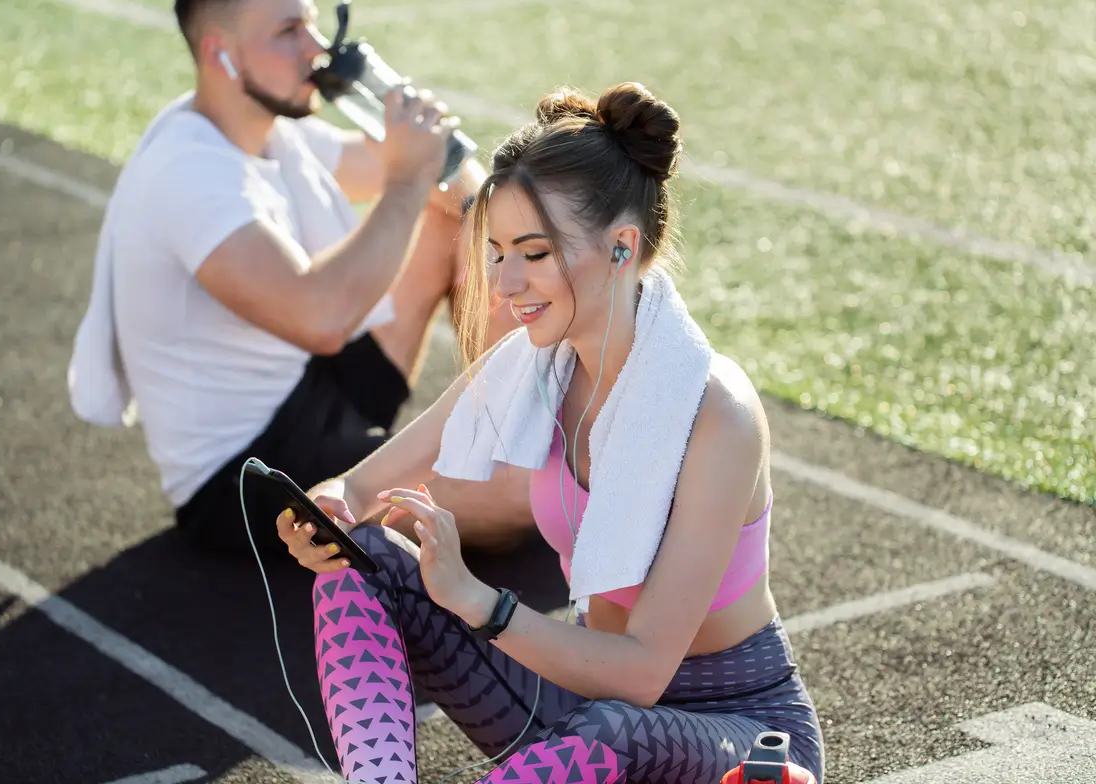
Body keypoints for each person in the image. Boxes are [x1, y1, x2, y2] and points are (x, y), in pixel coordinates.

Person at [277, 81, 825, 784]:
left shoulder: (716, 413)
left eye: (533, 254)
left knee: (612, 733)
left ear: (622, 247)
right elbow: (359, 488)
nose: (504, 284)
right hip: (583, 709)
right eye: (496, 252)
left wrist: (474, 598)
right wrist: (329, 510)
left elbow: (641, 676)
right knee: (364, 561)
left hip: (735, 735)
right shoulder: (532, 366)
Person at [66, 0, 524, 558]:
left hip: (317, 389)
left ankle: (521, 418)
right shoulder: (186, 174)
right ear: (218, 52)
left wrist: (451, 175)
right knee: (522, 493)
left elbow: (439, 180)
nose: (316, 48)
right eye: (288, 32)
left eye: (311, 24)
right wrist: (411, 175)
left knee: (452, 220)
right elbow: (322, 319)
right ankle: (518, 466)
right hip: (247, 473)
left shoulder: (273, 126)